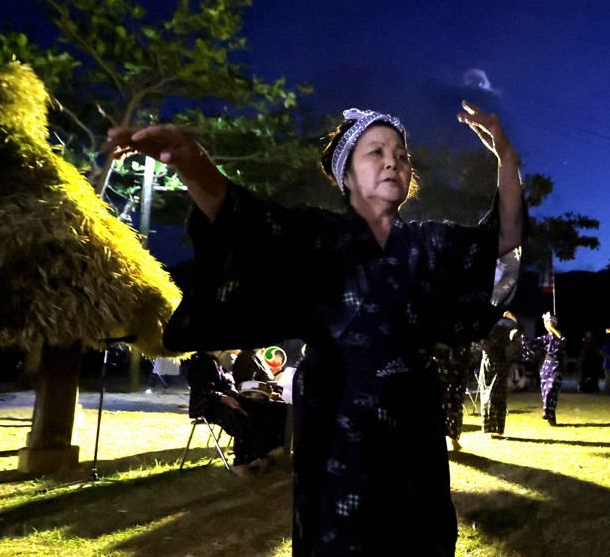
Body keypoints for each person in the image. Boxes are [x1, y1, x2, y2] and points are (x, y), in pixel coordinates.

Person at [107, 101, 524, 556]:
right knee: (338, 539)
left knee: (420, 538)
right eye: (376, 151)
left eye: (402, 155)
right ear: (346, 176)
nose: (393, 161)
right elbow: (240, 216)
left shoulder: (430, 243)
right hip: (336, 418)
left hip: (412, 419)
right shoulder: (316, 236)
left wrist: (507, 158)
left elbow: (501, 239)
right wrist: (190, 160)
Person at [187, 351, 288, 476]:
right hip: (211, 406)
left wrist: (252, 396)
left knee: (275, 409)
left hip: (228, 400)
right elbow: (202, 391)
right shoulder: (200, 363)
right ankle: (241, 462)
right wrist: (223, 398)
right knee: (246, 418)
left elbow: (231, 387)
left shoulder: (216, 362)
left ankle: (261, 453)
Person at [475, 312, 518, 439]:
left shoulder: (500, 330)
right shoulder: (485, 331)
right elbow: (475, 345)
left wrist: (514, 320)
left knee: (494, 397)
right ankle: (491, 428)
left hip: (496, 364)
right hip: (491, 365)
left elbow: (517, 333)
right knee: (489, 397)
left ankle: (495, 429)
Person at [523, 312, 565, 426]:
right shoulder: (546, 337)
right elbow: (535, 343)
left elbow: (561, 340)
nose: (546, 324)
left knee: (551, 391)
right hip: (545, 367)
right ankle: (551, 417)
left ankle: (549, 414)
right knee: (545, 391)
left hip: (556, 367)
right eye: (545, 322)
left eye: (548, 322)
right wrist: (523, 337)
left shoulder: (560, 335)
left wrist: (553, 329)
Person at [434, 342, 473, 452]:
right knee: (440, 407)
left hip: (457, 375)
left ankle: (454, 439)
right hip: (442, 374)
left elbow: (468, 353)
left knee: (455, 407)